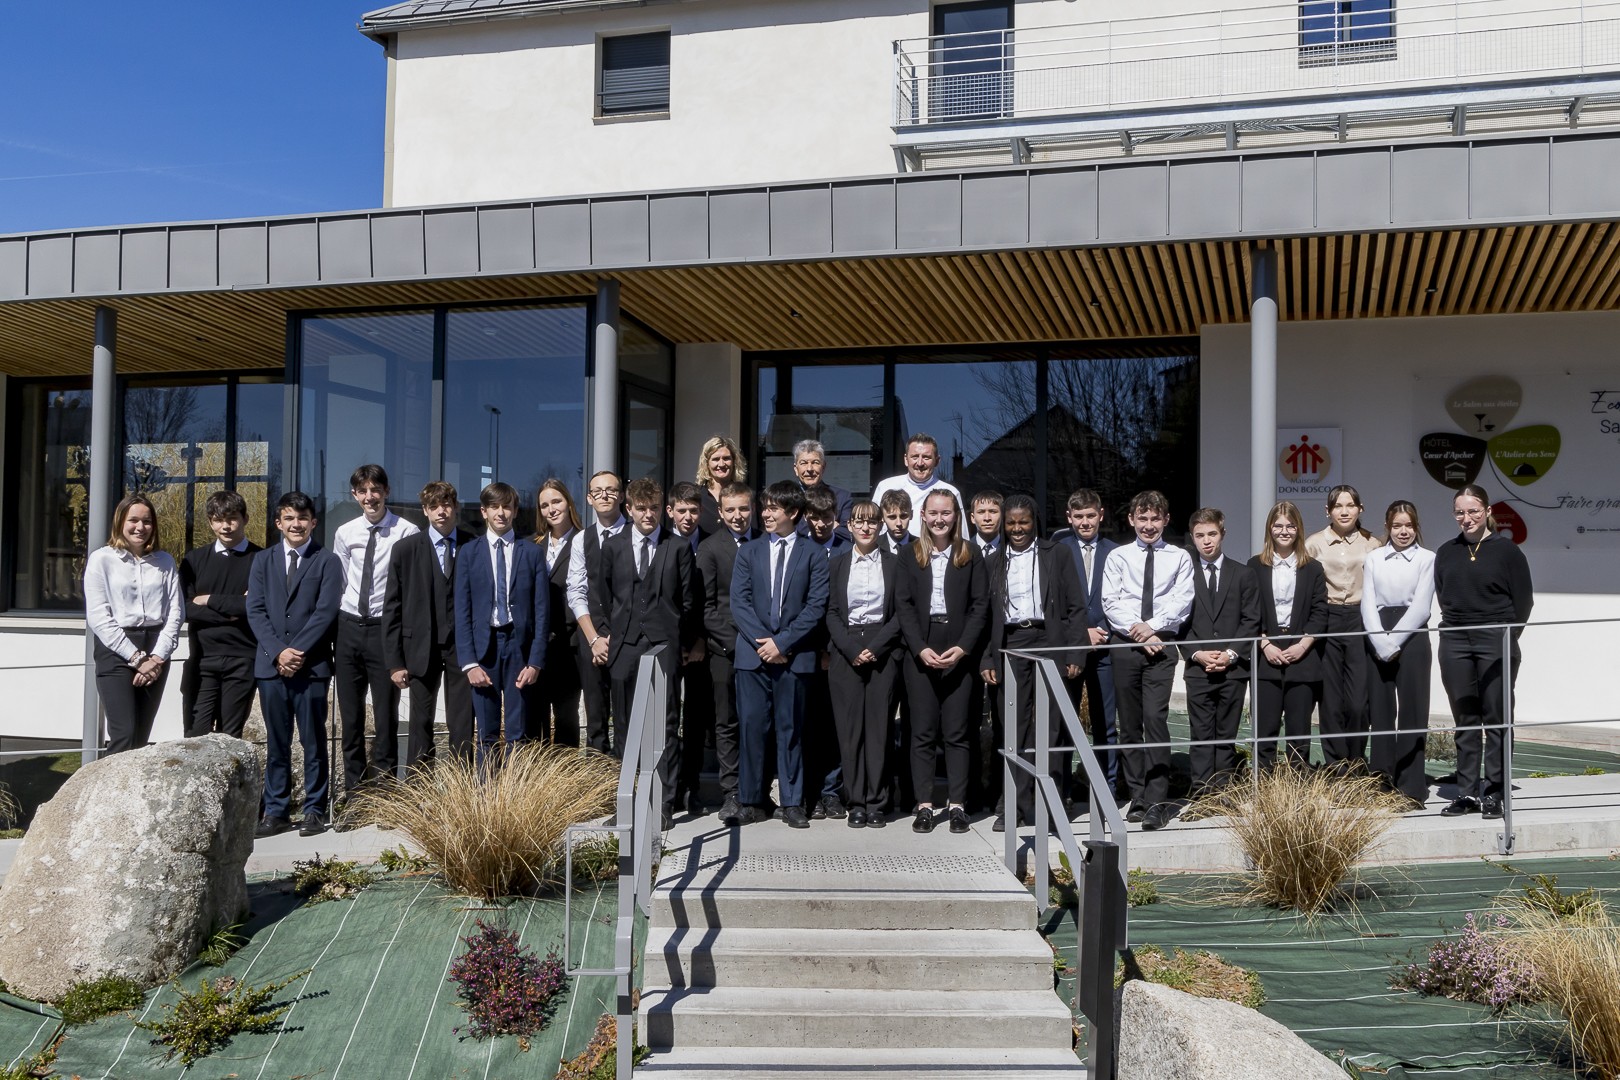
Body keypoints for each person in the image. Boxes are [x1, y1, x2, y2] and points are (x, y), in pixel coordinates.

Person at [594, 477, 701, 827]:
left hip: (664, 645)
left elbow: (688, 601)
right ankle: (626, 803)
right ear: (629, 509)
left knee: (665, 724)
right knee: (624, 726)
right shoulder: (613, 547)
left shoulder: (678, 547)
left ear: (662, 509)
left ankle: (662, 805)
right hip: (624, 646)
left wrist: (679, 641)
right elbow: (604, 595)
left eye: (654, 508)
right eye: (641, 508)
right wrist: (612, 633)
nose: (648, 514)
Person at [980, 494, 1087, 832]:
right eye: (1011, 523)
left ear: (1034, 522)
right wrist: (988, 657)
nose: (1017, 528)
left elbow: (1076, 607)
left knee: (1052, 726)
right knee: (1014, 726)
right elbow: (985, 616)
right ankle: (1015, 804)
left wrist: (1075, 653)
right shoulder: (993, 560)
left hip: (1050, 640)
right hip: (1011, 644)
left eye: (1023, 521)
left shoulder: (1058, 554)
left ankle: (1050, 804)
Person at [730, 481, 830, 828]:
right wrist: (765, 643)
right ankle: (751, 801)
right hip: (752, 656)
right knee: (752, 728)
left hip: (794, 656)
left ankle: (792, 802)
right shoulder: (749, 551)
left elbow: (815, 606)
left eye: (773, 508)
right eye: (765, 507)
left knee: (791, 730)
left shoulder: (813, 553)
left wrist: (782, 643)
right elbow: (739, 602)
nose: (766, 514)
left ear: (794, 512)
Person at [247, 491, 345, 837]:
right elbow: (255, 610)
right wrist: (278, 652)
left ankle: (314, 810)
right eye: (289, 518)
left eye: (302, 518)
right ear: (278, 523)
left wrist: (297, 651)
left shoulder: (328, 561)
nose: (296, 524)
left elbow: (326, 611)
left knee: (313, 741)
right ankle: (276, 811)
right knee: (277, 743)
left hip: (312, 667)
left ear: (313, 522)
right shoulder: (263, 561)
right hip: (271, 667)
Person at [1434, 483, 1533, 819]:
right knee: (1465, 719)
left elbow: (1524, 601)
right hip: (1455, 641)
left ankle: (1494, 792)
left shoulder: (1508, 551)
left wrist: (1507, 637)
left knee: (1497, 718)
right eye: (1460, 512)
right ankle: (1466, 792)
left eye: (1473, 511)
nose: (1467, 518)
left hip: (1496, 639)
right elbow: (1443, 594)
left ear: (1488, 511)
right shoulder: (1446, 551)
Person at [896, 488, 989, 835]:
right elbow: (903, 605)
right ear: (923, 516)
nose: (939, 519)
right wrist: (919, 648)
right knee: (921, 731)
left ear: (956, 516)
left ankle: (957, 805)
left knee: (957, 732)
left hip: (958, 649)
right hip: (921, 648)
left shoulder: (971, 554)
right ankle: (924, 805)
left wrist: (963, 648)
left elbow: (980, 605)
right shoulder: (909, 554)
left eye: (946, 513)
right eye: (933, 513)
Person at [1101, 490, 1194, 831]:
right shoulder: (1118, 557)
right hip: (1126, 645)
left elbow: (1182, 601)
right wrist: (1140, 632)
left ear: (1166, 520)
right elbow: (1110, 601)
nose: (1149, 525)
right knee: (1129, 724)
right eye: (1143, 518)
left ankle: (1157, 800)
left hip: (1161, 645)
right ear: (1132, 520)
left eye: (1156, 518)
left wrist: (1152, 628)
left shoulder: (1180, 557)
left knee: (1155, 719)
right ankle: (1138, 796)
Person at [332, 464, 419, 820]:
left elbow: (411, 587)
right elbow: (340, 581)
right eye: (363, 491)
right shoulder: (345, 532)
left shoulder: (407, 532)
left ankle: (385, 798)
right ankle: (355, 797)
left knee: (385, 717)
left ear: (386, 491)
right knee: (351, 718)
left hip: (385, 630)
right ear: (355, 495)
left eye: (375, 490)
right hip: (349, 627)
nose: (370, 497)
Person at [383, 481, 476, 768]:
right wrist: (395, 662)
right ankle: (419, 788)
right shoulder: (405, 549)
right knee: (419, 725)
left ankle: (462, 785)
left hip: (463, 647)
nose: (441, 511)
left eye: (446, 505)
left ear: (455, 507)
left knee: (462, 722)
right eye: (433, 506)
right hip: (420, 648)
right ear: (425, 511)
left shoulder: (473, 545)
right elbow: (392, 607)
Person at [454, 482, 547, 764]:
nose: (501, 513)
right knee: (487, 732)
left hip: (519, 647)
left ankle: (515, 789)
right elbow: (462, 611)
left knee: (518, 732)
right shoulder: (468, 553)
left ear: (516, 511)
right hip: (485, 648)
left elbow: (541, 611)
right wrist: (469, 663)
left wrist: (535, 661)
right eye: (494, 507)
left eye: (507, 506)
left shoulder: (531, 553)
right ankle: (487, 790)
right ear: (484, 511)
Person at [84, 494, 184, 755]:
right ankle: (106, 783)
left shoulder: (165, 562)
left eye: (147, 521)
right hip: (116, 649)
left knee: (140, 735)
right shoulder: (102, 559)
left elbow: (175, 613)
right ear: (120, 522)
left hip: (156, 648)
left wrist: (157, 658)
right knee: (124, 733)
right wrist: (137, 658)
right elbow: (99, 617)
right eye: (134, 520)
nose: (141, 527)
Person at [825, 501, 901, 829]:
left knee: (880, 730)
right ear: (849, 526)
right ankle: (855, 801)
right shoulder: (837, 564)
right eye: (859, 522)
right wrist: (851, 649)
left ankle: (877, 802)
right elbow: (831, 612)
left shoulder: (895, 564)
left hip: (883, 648)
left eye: (872, 522)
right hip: (847, 650)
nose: (866, 528)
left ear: (881, 526)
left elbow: (901, 613)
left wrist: (876, 647)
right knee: (850, 731)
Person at [1178, 508, 1260, 800]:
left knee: (1226, 734)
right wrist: (1196, 653)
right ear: (1192, 537)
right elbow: (1178, 620)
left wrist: (1230, 654)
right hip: (1198, 668)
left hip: (1232, 670)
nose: (1207, 541)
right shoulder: (1183, 575)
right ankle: (1201, 792)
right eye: (1200, 535)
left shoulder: (1243, 574)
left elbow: (1251, 619)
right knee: (1200, 734)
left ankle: (1223, 792)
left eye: (1212, 534)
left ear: (1222, 534)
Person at [1361, 500, 1436, 810]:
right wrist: (1380, 641)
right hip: (1378, 633)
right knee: (1380, 713)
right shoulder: (1374, 558)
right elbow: (1367, 602)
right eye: (1397, 526)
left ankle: (1411, 787)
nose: (1403, 531)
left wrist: (1393, 643)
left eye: (1408, 525)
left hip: (1412, 636)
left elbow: (1422, 606)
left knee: (1413, 713)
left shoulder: (1427, 558)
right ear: (1387, 527)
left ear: (1416, 527)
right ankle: (1381, 782)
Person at [1248, 500, 1329, 773]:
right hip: (1266, 654)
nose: (1284, 531)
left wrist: (1303, 645)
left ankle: (1296, 786)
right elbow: (1248, 611)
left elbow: (1320, 611)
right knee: (1265, 729)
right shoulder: (1254, 566)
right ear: (1269, 529)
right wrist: (1264, 644)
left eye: (1290, 526)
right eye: (1279, 525)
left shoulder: (1313, 568)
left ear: (1299, 529)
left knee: (1299, 730)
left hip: (1302, 656)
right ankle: (1264, 785)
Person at [1051, 489, 1122, 802]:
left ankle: (1106, 789)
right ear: (1069, 518)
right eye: (1078, 516)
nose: (1085, 522)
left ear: (1100, 515)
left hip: (1106, 647)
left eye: (1090, 515)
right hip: (1071, 648)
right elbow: (1053, 603)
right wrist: (1081, 633)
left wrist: (1101, 631)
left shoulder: (1115, 552)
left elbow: (1123, 598)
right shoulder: (1057, 550)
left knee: (1105, 722)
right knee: (1064, 721)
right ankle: (1063, 790)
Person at [1305, 485, 1381, 773]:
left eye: (1350, 505)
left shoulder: (1373, 543)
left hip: (1360, 617)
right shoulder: (1314, 544)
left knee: (1359, 700)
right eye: (1338, 506)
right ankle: (1335, 764)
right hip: (1328, 617)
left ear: (1360, 509)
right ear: (1328, 511)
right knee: (1330, 699)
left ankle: (1357, 761)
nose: (1345, 511)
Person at [697, 481, 757, 825]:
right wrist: (736, 644)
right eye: (730, 509)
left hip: (763, 649)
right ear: (720, 512)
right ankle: (731, 792)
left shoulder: (764, 542)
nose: (738, 515)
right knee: (727, 722)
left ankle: (757, 791)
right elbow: (707, 607)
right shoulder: (709, 548)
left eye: (743, 508)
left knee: (758, 721)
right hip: (726, 650)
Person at [179, 490, 260, 738]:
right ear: (210, 522)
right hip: (202, 659)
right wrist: (232, 611)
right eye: (218, 520)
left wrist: (209, 600)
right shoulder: (194, 560)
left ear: (245, 519)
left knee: (230, 737)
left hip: (242, 659)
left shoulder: (262, 560)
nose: (225, 526)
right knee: (195, 735)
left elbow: (255, 606)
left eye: (232, 518)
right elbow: (185, 608)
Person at [568, 470, 627, 752]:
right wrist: (594, 639)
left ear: (621, 496)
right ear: (589, 499)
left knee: (626, 716)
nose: (605, 496)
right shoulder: (581, 539)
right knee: (595, 718)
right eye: (598, 491)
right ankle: (598, 775)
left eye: (611, 490)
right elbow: (576, 591)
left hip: (628, 639)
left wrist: (618, 637)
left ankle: (627, 774)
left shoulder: (637, 534)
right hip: (591, 637)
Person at [802, 483, 851, 819]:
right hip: (805, 650)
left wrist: (832, 649)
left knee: (834, 725)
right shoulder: (799, 548)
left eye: (826, 517)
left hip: (838, 651)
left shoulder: (847, 549)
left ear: (836, 516)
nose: (820, 524)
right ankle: (810, 794)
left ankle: (831, 791)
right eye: (814, 517)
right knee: (807, 725)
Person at [667, 481, 711, 814]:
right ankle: (668, 788)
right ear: (670, 511)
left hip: (700, 646)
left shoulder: (710, 545)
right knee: (667, 719)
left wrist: (698, 641)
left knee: (695, 719)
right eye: (681, 510)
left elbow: (711, 599)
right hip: (668, 645)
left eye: (693, 511)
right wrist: (676, 643)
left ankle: (691, 786)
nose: (688, 517)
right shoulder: (661, 544)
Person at [533, 478, 583, 747]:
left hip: (570, 644)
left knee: (566, 717)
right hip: (539, 645)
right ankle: (539, 772)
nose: (551, 509)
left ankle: (566, 772)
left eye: (556, 501)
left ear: (568, 503)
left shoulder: (583, 541)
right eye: (545, 505)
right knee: (536, 716)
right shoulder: (533, 545)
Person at [872, 433, 963, 539]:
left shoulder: (951, 492)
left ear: (937, 461)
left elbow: (961, 537)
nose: (920, 463)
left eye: (926, 457)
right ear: (906, 459)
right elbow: (872, 525)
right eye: (915, 457)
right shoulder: (885, 486)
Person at [792, 439, 853, 530]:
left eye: (815, 462)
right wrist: (831, 526)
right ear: (796, 469)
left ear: (823, 467)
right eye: (803, 463)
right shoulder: (786, 498)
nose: (809, 469)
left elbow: (847, 532)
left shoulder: (842, 498)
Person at [695, 435, 748, 535]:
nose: (722, 464)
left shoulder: (746, 496)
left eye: (726, 458)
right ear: (707, 464)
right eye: (715, 459)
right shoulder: (696, 496)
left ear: (734, 462)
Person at [879, 489, 914, 556]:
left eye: (903, 516)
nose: (899, 523)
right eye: (892, 517)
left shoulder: (922, 546)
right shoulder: (874, 546)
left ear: (911, 515)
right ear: (882, 517)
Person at [969, 491, 1004, 557]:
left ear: (1002, 516)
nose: (987, 518)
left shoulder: (1010, 549)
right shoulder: (963, 551)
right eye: (981, 512)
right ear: (973, 518)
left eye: (993, 512)